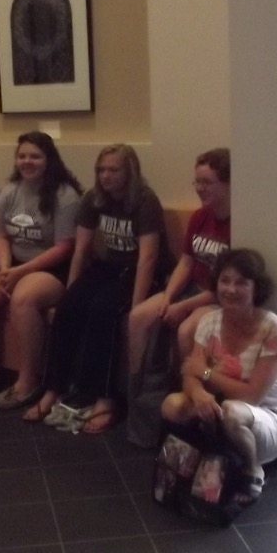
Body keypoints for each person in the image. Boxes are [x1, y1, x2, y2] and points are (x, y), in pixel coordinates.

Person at [24, 145, 168, 432]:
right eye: (101, 170)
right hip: (108, 266)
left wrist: (136, 308)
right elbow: (81, 250)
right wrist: (71, 291)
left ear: (129, 172)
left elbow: (149, 258)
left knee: (104, 310)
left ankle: (105, 399)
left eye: (113, 170)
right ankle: (54, 389)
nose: (106, 176)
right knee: (68, 306)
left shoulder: (145, 201)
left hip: (139, 270)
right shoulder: (94, 198)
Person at [161, 248, 277, 507]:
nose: (231, 289)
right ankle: (200, 463)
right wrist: (198, 393)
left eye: (241, 282)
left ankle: (253, 471)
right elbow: (189, 371)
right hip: (221, 409)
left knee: (233, 411)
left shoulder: (274, 330)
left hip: (267, 420)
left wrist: (205, 373)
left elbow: (251, 396)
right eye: (225, 281)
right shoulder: (209, 321)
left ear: (256, 288)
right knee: (172, 405)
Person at [0, 131, 83, 409]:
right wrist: (6, 269)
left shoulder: (65, 195)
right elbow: (0, 236)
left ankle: (28, 381)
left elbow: (65, 247)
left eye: (35, 156)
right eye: (22, 156)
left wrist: (20, 273)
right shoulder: (10, 191)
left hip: (52, 268)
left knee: (23, 299)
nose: (27, 161)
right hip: (13, 264)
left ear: (49, 159)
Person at [126, 148, 231, 373]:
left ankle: (188, 385)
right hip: (190, 289)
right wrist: (168, 297)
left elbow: (226, 288)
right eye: (197, 182)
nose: (200, 188)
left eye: (207, 183)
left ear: (228, 184)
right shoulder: (200, 217)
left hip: (217, 298)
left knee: (186, 330)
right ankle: (141, 387)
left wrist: (183, 306)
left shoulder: (239, 225)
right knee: (138, 317)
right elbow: (186, 263)